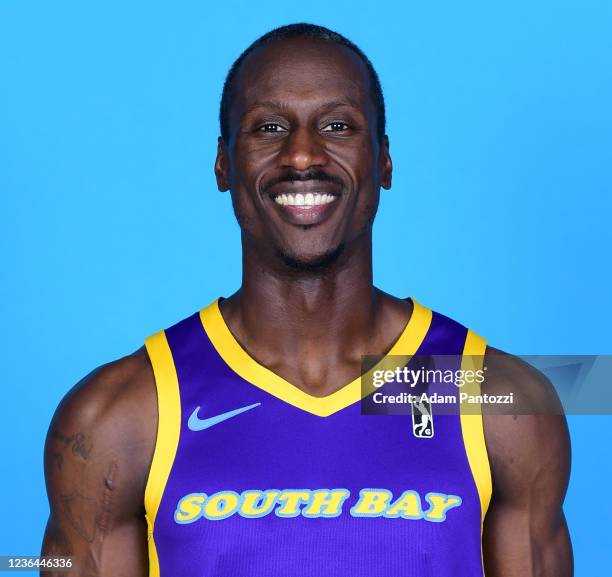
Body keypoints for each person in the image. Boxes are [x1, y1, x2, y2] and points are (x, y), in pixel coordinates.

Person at [42, 23, 572, 577]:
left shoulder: (494, 399)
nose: (301, 156)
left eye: (338, 126)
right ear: (223, 163)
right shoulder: (120, 416)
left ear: (383, 160)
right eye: (269, 128)